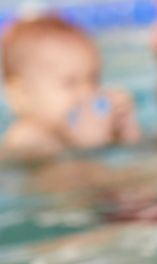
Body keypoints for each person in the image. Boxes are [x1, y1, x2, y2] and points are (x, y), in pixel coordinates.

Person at [0, 15, 139, 158]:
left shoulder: (63, 132)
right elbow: (79, 178)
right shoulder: (27, 140)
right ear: (22, 94)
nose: (87, 93)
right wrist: (90, 147)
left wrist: (125, 133)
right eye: (70, 83)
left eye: (93, 80)